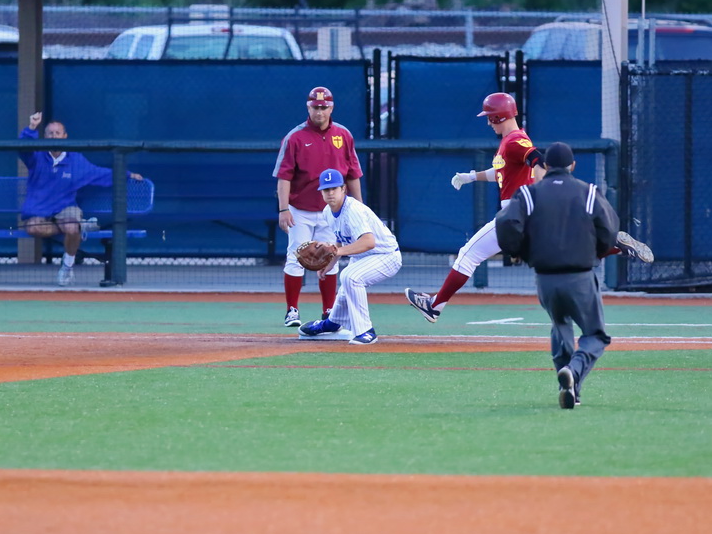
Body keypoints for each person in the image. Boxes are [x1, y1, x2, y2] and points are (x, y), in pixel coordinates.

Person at [403, 92, 653, 323]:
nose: (488, 122)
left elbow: (538, 160)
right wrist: (471, 176)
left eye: (490, 117)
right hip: (527, 215)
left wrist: (546, 188)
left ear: (498, 116)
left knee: (468, 255)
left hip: (515, 215)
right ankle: (615, 247)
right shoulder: (510, 141)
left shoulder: (515, 140)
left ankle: (434, 306)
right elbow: (501, 173)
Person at [495, 142, 619, 409]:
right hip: (580, 276)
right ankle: (574, 370)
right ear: (572, 165)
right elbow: (609, 230)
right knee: (595, 335)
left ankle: (571, 389)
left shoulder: (528, 194)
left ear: (546, 166)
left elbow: (506, 223)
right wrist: (597, 252)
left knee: (560, 325)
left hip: (545, 278)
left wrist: (517, 251)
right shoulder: (588, 192)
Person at [273, 86, 364, 328]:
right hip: (300, 209)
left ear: (331, 108)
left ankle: (329, 310)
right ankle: (292, 310)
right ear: (308, 107)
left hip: (332, 211)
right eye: (315, 107)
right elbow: (284, 176)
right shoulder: (295, 137)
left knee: (330, 256)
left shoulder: (343, 134)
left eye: (324, 107)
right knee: (296, 256)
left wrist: (359, 207)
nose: (319, 112)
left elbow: (353, 173)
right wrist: (283, 209)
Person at [18, 112, 144, 287]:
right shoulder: (36, 156)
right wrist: (32, 127)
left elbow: (100, 174)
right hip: (40, 210)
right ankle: (80, 228)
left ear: (65, 136)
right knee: (33, 228)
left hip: (66, 208)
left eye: (57, 133)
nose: (54, 136)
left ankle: (67, 266)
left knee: (71, 227)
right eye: (50, 133)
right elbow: (23, 148)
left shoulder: (76, 160)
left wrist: (127, 174)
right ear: (44, 137)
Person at [298, 169, 402, 345]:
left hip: (386, 255)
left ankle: (366, 331)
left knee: (350, 277)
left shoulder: (353, 210)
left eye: (334, 188)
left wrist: (336, 252)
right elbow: (340, 240)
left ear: (343, 189)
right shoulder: (327, 212)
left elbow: (369, 242)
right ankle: (332, 323)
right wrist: (331, 263)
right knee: (345, 289)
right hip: (364, 256)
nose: (330, 193)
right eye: (326, 189)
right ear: (321, 192)